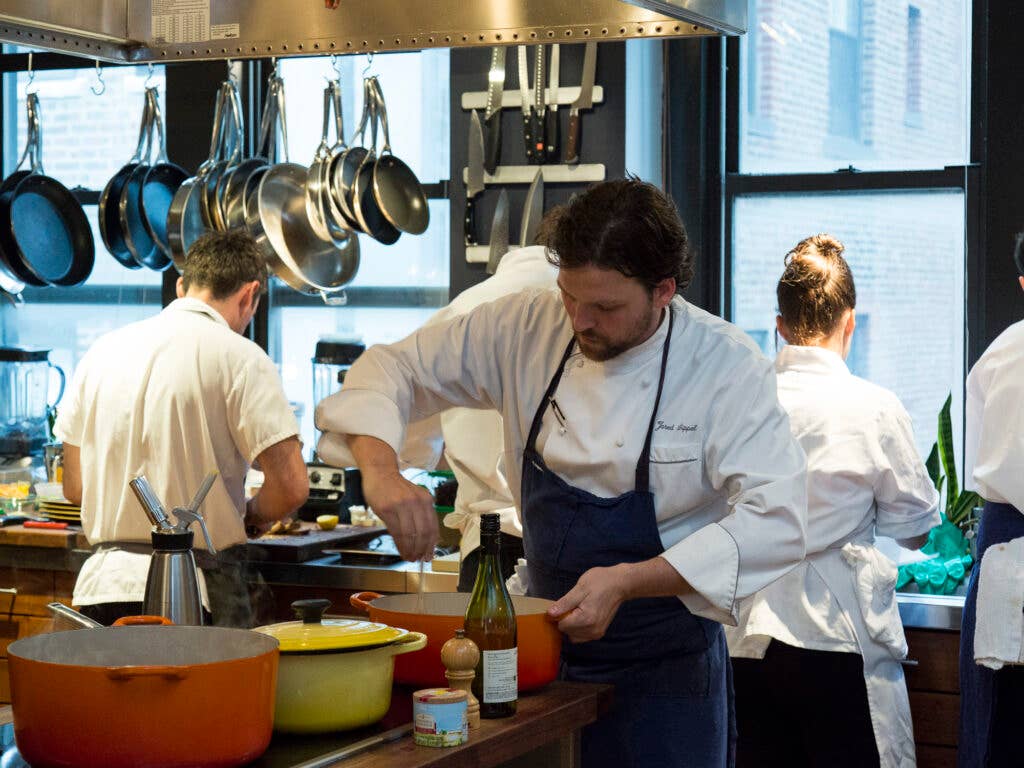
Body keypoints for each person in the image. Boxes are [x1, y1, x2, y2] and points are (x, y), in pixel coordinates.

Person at [316, 177, 808, 767]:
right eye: (571, 297)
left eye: (605, 307)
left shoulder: (725, 366)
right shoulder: (523, 325)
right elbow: (391, 370)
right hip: (539, 665)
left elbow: (778, 519)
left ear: (664, 292)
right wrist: (382, 469)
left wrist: (628, 581)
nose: (580, 320)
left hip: (666, 675)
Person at [724, 235, 939, 768]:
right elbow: (915, 528)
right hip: (833, 637)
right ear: (850, 321)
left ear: (779, 325)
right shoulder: (873, 408)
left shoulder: (737, 404)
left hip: (743, 638)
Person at [57, 229, 308, 628]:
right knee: (205, 693)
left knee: (107, 692)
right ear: (249, 295)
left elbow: (75, 486)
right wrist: (251, 515)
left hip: (100, 588)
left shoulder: (100, 353)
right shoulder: (241, 358)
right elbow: (292, 487)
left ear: (181, 285)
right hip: (195, 589)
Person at [402, 245, 557, 592]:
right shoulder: (586, 310)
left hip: (489, 546)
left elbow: (410, 438)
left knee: (486, 647)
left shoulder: (460, 310)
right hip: (571, 546)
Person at [957, 236, 1024, 768]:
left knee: (999, 737)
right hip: (1004, 549)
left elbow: (978, 468)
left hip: (1003, 554)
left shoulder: (997, 355)